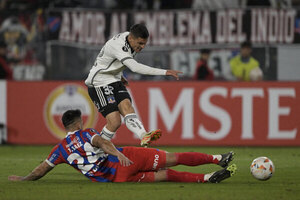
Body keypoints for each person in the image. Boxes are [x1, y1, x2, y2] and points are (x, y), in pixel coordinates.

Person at [8, 109, 237, 183]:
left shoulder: (59, 150)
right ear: (77, 122)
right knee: (172, 157)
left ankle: (206, 179)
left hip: (117, 179)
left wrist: (24, 180)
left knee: (165, 176)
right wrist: (118, 153)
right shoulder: (87, 133)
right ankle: (218, 159)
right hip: (124, 159)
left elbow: (42, 169)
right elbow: (103, 143)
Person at [85, 24, 182, 147]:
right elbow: (135, 67)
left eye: (144, 44)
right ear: (131, 38)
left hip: (114, 78)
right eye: (140, 43)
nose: (142, 47)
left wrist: (119, 75)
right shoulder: (119, 45)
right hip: (99, 82)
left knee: (127, 107)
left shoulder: (130, 39)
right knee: (115, 122)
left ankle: (143, 135)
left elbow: (110, 61)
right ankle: (95, 152)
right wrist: (165, 72)